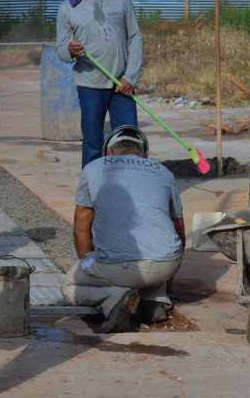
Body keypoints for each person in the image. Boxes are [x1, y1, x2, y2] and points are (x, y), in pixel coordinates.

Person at [63, 126, 185, 332]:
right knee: (155, 254)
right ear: (144, 154)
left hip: (120, 268)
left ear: (109, 153)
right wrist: (170, 280)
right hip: (166, 264)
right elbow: (179, 230)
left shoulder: (93, 169)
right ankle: (156, 299)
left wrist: (89, 264)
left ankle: (114, 297)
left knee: (69, 285)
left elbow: (81, 229)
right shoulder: (164, 172)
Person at [56, 0, 143, 168]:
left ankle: (130, 189)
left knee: (128, 141)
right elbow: (61, 50)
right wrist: (70, 50)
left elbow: (135, 38)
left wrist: (130, 77)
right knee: (93, 142)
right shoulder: (68, 8)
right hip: (90, 85)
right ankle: (91, 193)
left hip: (121, 85)